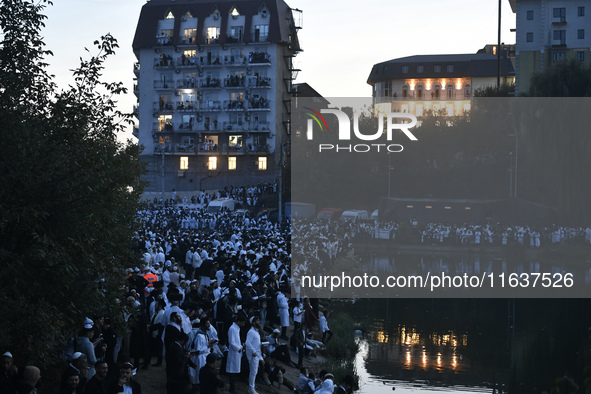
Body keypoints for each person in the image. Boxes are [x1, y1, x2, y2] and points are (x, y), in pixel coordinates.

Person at [225, 315, 246, 394]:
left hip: (237, 352)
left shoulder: (237, 328)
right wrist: (238, 348)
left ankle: (233, 387)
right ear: (239, 321)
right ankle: (232, 387)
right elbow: (231, 342)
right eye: (243, 323)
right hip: (234, 352)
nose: (243, 325)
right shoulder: (232, 329)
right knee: (232, 370)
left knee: (234, 369)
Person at [245, 316, 264, 394]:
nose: (259, 322)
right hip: (253, 355)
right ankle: (251, 388)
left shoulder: (256, 332)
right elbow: (247, 343)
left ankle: (252, 385)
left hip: (257, 354)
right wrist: (253, 351)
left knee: (254, 372)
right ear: (253, 322)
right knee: (253, 371)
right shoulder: (251, 332)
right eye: (257, 321)